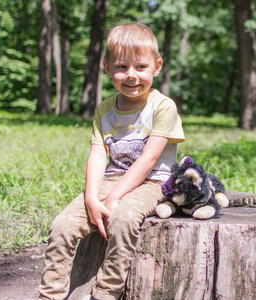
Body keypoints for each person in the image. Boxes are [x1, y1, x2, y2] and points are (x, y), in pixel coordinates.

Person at [38, 23, 185, 300]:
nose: (131, 75)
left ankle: (105, 292)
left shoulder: (163, 106)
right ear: (107, 68)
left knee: (124, 218)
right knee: (62, 226)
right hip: (112, 178)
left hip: (153, 181)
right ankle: (50, 295)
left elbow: (150, 157)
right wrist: (92, 198)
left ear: (157, 66)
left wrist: (114, 198)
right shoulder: (105, 109)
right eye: (121, 67)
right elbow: (97, 154)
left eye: (140, 67)